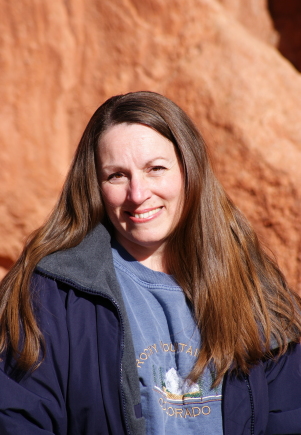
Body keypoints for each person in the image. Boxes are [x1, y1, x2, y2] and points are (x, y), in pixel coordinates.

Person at [0, 91, 301, 435]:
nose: (138, 193)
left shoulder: (253, 286)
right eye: (116, 175)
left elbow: (289, 415)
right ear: (95, 186)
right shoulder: (56, 292)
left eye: (155, 169)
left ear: (190, 169)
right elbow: (17, 418)